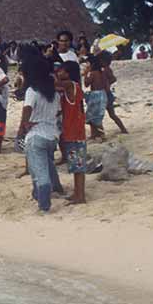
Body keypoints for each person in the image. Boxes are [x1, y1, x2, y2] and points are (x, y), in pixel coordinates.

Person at [17, 53, 63, 213]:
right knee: (47, 163)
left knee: (39, 174)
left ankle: (44, 205)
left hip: (36, 135)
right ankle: (58, 188)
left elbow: (27, 109)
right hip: (52, 135)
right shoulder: (54, 92)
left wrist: (23, 126)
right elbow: (57, 112)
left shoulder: (32, 91)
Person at [56, 60, 88, 204]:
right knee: (76, 166)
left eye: (61, 70)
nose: (58, 72)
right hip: (74, 131)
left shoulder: (70, 85)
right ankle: (77, 193)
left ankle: (80, 195)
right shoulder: (74, 86)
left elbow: (54, 85)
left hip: (74, 132)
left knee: (78, 166)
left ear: (68, 72)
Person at [99, 53, 129, 135]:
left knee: (104, 115)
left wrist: (106, 83)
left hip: (106, 94)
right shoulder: (105, 69)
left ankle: (101, 133)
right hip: (107, 94)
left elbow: (113, 79)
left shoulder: (106, 69)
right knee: (112, 114)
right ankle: (123, 129)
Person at [84, 54, 108, 140]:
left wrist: (86, 73)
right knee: (95, 116)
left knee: (93, 116)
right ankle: (95, 134)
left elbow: (86, 84)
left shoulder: (93, 73)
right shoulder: (101, 72)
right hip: (102, 94)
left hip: (96, 95)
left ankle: (101, 135)